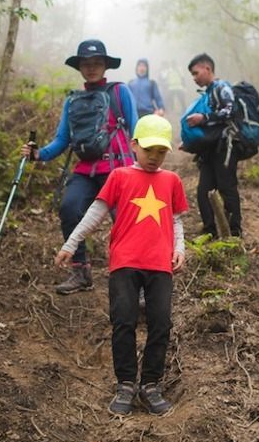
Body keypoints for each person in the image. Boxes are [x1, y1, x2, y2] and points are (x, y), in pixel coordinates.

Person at [55, 115, 188, 416]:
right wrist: (70, 244)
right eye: (149, 150)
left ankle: (151, 385)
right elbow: (95, 213)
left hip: (160, 265)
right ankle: (126, 384)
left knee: (161, 324)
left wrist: (180, 248)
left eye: (161, 152)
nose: (154, 157)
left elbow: (176, 220)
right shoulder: (119, 176)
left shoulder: (171, 181)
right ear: (134, 145)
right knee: (124, 322)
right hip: (125, 262)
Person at [22, 39, 138, 295]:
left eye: (97, 63)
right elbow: (63, 140)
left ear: (106, 65)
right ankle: (81, 271)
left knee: (126, 222)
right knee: (70, 207)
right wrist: (37, 154)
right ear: (80, 68)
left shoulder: (120, 92)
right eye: (86, 63)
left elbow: (136, 128)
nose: (92, 68)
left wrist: (141, 167)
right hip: (87, 170)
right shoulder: (73, 101)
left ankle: (135, 279)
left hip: (119, 169)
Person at [184, 53, 242, 238]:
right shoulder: (207, 93)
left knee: (227, 188)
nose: (194, 78)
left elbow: (230, 110)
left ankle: (234, 233)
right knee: (203, 191)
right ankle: (210, 231)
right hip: (209, 150)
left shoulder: (221, 87)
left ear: (207, 69)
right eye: (192, 75)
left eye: (196, 73)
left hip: (226, 147)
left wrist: (204, 118)